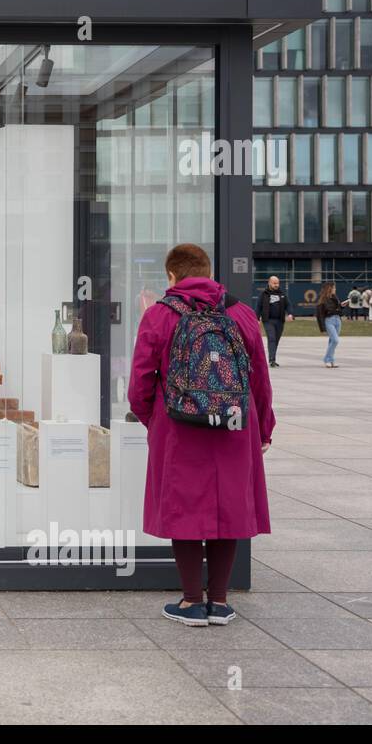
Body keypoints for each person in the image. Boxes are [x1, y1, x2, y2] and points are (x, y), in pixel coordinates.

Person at [128, 244, 275, 627]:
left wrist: (153, 420)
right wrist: (265, 427)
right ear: (208, 274)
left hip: (179, 427)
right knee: (229, 506)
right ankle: (221, 602)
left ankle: (192, 602)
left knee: (184, 507)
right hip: (233, 426)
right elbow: (260, 377)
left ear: (172, 276)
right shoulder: (241, 314)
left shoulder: (160, 316)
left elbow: (140, 382)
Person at [256, 275, 292, 367]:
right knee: (271, 338)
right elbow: (258, 307)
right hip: (268, 320)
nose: (276, 285)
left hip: (280, 320)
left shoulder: (282, 294)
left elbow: (288, 305)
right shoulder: (264, 294)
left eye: (277, 283)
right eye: (274, 283)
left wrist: (290, 314)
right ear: (269, 283)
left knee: (276, 340)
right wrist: (257, 318)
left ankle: (273, 358)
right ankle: (272, 360)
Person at [316, 283, 343, 368]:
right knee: (335, 340)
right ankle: (327, 359)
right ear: (329, 288)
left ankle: (331, 360)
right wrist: (322, 328)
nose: (335, 289)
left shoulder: (335, 297)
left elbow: (338, 310)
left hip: (338, 320)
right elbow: (319, 315)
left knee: (332, 342)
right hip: (329, 320)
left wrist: (342, 306)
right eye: (334, 288)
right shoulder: (323, 300)